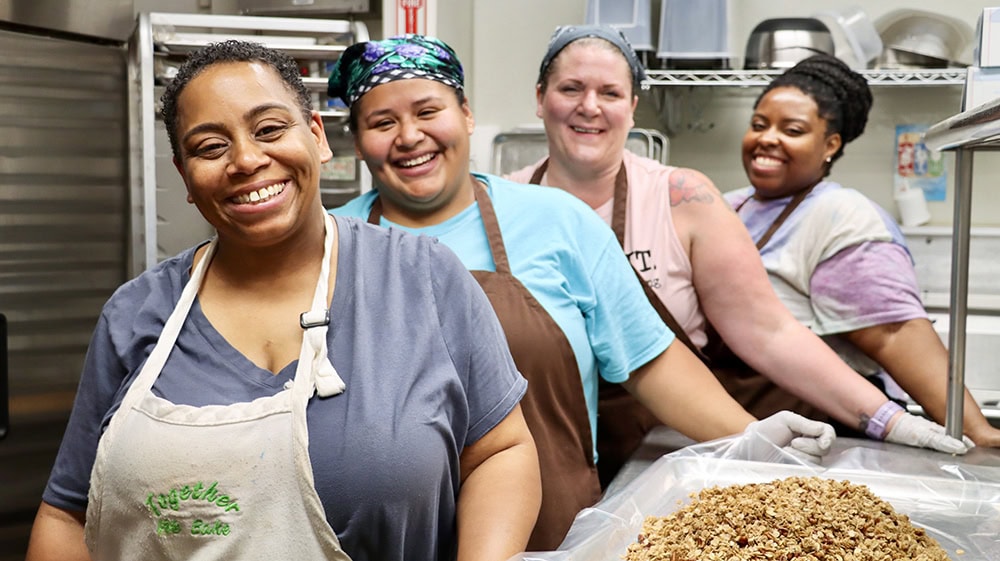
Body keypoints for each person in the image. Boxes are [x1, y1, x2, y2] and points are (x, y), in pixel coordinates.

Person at [25, 40, 542, 561]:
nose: (247, 160)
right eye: (209, 147)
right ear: (184, 176)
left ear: (317, 136)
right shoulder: (135, 313)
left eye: (270, 129)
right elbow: (66, 513)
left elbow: (500, 452)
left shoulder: (424, 277)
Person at [327, 34, 836, 551]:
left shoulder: (557, 220)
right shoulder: (330, 243)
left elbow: (650, 362)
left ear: (466, 114)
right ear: (358, 139)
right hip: (381, 541)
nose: (409, 136)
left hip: (552, 535)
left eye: (428, 111)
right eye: (382, 122)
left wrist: (751, 436)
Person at [507, 25, 974, 486]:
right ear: (540, 96)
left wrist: (888, 420)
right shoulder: (501, 203)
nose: (589, 106)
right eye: (571, 88)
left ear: (632, 107)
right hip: (537, 463)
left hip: (667, 464)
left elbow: (769, 331)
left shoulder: (683, 198)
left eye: (609, 92)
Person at [724, 54, 1000, 448]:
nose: (768, 138)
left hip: (819, 436)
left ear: (830, 144)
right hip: (741, 429)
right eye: (759, 125)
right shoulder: (726, 205)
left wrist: (976, 431)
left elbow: (894, 335)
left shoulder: (842, 218)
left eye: (793, 129)